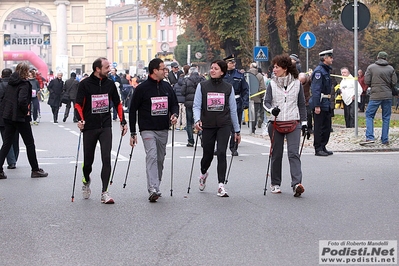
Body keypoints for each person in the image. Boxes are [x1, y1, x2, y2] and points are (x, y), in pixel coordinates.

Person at [75, 57, 128, 204]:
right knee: (88, 162)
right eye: (106, 67)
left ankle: (105, 192)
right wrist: (80, 120)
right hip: (90, 127)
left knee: (106, 158)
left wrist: (123, 121)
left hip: (105, 126)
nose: (109, 69)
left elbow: (117, 103)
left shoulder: (110, 84)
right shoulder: (85, 84)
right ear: (98, 69)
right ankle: (86, 180)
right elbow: (78, 104)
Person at [129, 58, 179, 202]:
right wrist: (133, 132)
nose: (165, 71)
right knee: (152, 155)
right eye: (163, 69)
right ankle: (152, 188)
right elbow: (133, 110)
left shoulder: (167, 87)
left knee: (160, 159)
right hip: (147, 129)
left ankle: (156, 186)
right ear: (154, 71)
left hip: (163, 128)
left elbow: (174, 104)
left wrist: (174, 115)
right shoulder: (142, 88)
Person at [193, 60, 241, 197]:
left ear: (222, 72)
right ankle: (203, 173)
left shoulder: (228, 88)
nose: (212, 70)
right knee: (207, 155)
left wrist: (237, 130)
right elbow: (196, 106)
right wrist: (197, 120)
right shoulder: (202, 86)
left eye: (216, 68)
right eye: (211, 68)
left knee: (221, 152)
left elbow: (233, 110)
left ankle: (221, 185)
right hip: (207, 125)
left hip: (223, 125)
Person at [263, 54, 306, 197]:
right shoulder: (272, 84)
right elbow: (266, 102)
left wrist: (305, 123)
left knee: (293, 153)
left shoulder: (297, 84)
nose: (274, 70)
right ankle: (275, 184)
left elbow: (301, 105)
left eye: (277, 67)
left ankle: (296, 184)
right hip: (276, 122)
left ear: (285, 68)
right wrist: (271, 110)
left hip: (294, 121)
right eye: (273, 67)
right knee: (276, 154)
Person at [0, 62, 48, 179]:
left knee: (6, 143)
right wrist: (25, 110)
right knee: (29, 143)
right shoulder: (24, 84)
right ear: (26, 71)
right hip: (20, 117)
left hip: (8, 116)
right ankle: (35, 169)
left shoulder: (11, 82)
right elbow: (22, 100)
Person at [360, 51, 397, 145]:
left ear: (377, 57)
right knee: (386, 117)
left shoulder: (371, 67)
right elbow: (394, 82)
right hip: (387, 95)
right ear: (386, 58)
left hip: (375, 95)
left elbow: (367, 81)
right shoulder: (390, 68)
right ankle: (385, 139)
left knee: (369, 115)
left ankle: (370, 137)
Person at [223, 54, 249, 156]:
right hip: (223, 104)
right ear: (226, 64)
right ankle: (220, 147)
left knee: (235, 126)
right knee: (222, 126)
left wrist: (245, 102)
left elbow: (245, 90)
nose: (233, 64)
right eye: (231, 62)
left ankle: (234, 148)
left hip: (236, 102)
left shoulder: (239, 75)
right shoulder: (221, 74)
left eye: (234, 62)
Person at [309, 49, 334, 156]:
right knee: (319, 127)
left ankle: (323, 146)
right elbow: (316, 89)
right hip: (320, 101)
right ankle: (318, 148)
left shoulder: (326, 70)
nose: (332, 59)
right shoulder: (319, 71)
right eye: (330, 57)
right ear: (325, 58)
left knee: (327, 126)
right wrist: (317, 105)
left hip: (326, 102)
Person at [0, 68, 19, 171]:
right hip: (13, 115)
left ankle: (12, 161)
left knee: (6, 140)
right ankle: (13, 159)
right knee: (14, 139)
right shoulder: (15, 85)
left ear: (2, 76)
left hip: (2, 116)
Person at [181, 66, 205, 147]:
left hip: (189, 103)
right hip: (200, 104)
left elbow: (182, 92)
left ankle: (191, 141)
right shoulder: (202, 80)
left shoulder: (187, 80)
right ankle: (202, 135)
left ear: (190, 72)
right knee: (200, 121)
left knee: (189, 123)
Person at [248, 62, 267, 133]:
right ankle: (253, 128)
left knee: (248, 112)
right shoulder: (260, 76)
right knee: (255, 113)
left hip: (247, 97)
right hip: (256, 98)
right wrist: (260, 96)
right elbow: (262, 88)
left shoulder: (246, 75)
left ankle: (249, 125)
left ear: (250, 67)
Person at [173, 65, 189, 131]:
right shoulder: (185, 83)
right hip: (184, 100)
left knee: (178, 114)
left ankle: (177, 126)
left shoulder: (176, 84)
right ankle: (184, 125)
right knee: (184, 113)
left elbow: (174, 91)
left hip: (177, 100)